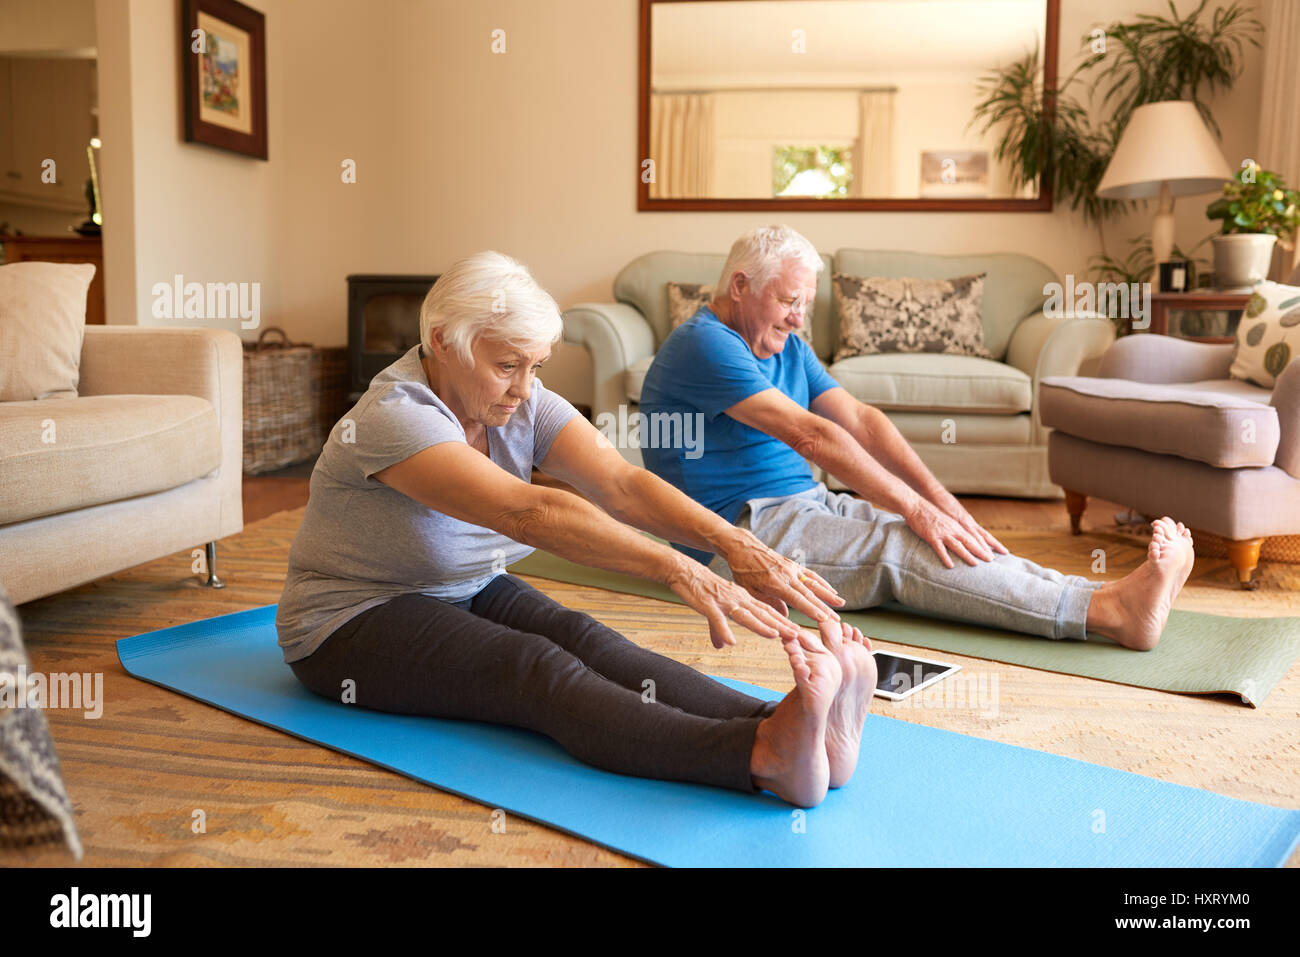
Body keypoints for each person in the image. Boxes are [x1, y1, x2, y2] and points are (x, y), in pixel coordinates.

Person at [275, 250, 878, 809]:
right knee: (534, 667)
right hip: (350, 619)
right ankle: (762, 756)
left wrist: (734, 544)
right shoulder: (395, 417)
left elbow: (620, 483)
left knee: (587, 639)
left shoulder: (521, 401)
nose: (524, 388)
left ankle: (791, 726)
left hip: (462, 586)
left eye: (535, 366)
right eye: (507, 365)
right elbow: (528, 511)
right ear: (442, 342)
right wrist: (679, 567)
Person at [638, 225, 1195, 652]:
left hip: (801, 506)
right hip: (738, 535)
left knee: (925, 532)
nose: (799, 320)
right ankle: (1107, 613)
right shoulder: (705, 344)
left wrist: (939, 504)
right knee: (898, 548)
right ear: (740, 286)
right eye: (789, 301)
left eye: (805, 304)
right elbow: (812, 436)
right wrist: (915, 510)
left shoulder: (784, 345)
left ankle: (1106, 597)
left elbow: (860, 419)